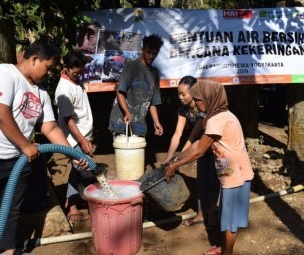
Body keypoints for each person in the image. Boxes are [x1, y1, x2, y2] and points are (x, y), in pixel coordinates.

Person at [0, 37, 88, 255]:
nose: (51, 73)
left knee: (8, 213)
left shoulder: (41, 92)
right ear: (34, 59)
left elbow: (51, 128)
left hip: (16, 161)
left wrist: (73, 154)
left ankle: (5, 250)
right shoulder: (4, 73)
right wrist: (26, 145)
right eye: (49, 67)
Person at [164, 80, 254, 255]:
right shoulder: (220, 115)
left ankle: (227, 252)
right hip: (235, 174)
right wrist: (177, 157)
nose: (196, 104)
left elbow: (199, 150)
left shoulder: (217, 119)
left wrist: (175, 165)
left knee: (230, 222)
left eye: (198, 100)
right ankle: (224, 247)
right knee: (228, 219)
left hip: (236, 177)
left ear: (209, 98)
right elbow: (198, 142)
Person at [163, 76, 219, 228]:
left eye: (184, 94)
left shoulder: (203, 108)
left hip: (214, 148)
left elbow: (193, 139)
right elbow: (177, 134)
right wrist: (168, 158)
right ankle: (201, 214)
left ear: (194, 92)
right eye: (178, 94)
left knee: (213, 183)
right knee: (201, 181)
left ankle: (212, 215)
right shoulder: (183, 108)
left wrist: (177, 160)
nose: (180, 97)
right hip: (199, 146)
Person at [55, 50, 94, 223]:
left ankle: (72, 202)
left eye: (81, 71)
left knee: (78, 170)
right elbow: (68, 119)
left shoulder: (75, 80)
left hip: (83, 133)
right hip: (74, 136)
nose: (79, 74)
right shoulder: (63, 89)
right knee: (83, 169)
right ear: (66, 68)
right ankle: (72, 206)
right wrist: (82, 140)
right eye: (76, 72)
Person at [108, 34, 164, 137]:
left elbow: (152, 102)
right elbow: (120, 92)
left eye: (154, 53)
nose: (151, 56)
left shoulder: (155, 73)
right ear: (143, 50)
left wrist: (156, 122)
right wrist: (126, 112)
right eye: (148, 52)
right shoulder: (131, 66)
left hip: (139, 124)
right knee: (124, 152)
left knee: (137, 152)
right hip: (121, 121)